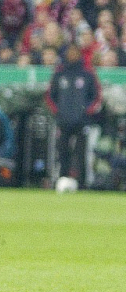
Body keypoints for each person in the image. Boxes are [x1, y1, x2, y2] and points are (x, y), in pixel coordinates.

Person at [45, 44, 102, 186]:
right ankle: (62, 180)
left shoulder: (87, 74)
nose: (72, 55)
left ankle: (82, 183)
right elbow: (50, 96)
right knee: (62, 152)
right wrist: (58, 112)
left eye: (75, 52)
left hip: (81, 121)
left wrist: (86, 111)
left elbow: (96, 96)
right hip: (63, 121)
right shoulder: (59, 74)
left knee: (81, 153)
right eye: (70, 52)